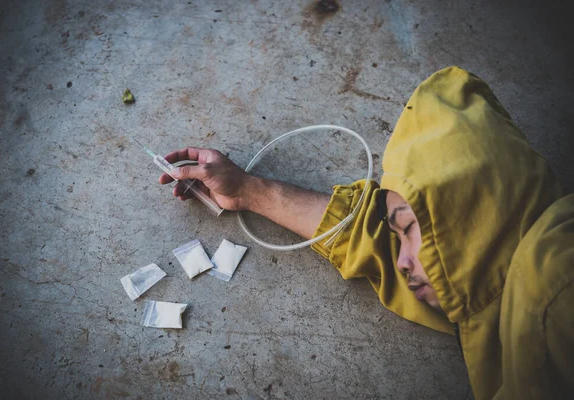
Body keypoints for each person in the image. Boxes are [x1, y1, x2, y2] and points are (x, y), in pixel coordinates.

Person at [158, 67, 573, 399]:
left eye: (411, 230)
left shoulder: (557, 275)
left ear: (479, 218)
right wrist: (247, 190)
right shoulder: (491, 279)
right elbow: (373, 239)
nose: (401, 258)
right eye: (399, 232)